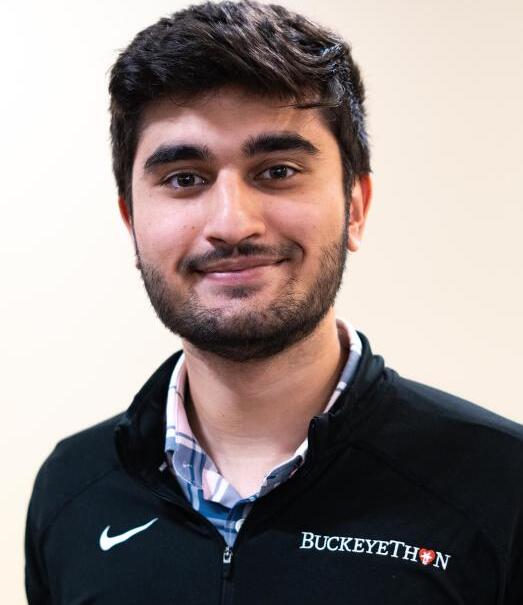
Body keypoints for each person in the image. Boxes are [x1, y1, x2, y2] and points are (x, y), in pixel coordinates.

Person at [25, 1, 523, 603]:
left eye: (278, 170)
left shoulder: (503, 485)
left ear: (356, 207)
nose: (232, 224)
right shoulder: (71, 490)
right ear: (132, 223)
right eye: (185, 178)